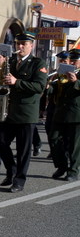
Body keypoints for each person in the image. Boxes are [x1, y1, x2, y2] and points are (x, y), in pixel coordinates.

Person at [0, 31, 48, 192]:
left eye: (24, 44)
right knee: (0, 142)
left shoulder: (37, 63)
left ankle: (19, 180)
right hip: (9, 110)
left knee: (23, 149)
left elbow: (39, 87)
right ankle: (11, 170)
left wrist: (16, 82)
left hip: (26, 112)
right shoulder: (10, 61)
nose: (20, 46)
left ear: (31, 45)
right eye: (18, 43)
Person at [51, 52, 80, 182]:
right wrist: (49, 85)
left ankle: (73, 171)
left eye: (75, 61)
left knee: (75, 145)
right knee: (53, 138)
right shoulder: (63, 73)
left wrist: (76, 82)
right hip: (61, 111)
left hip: (76, 113)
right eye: (70, 60)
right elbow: (56, 89)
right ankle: (61, 166)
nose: (71, 63)